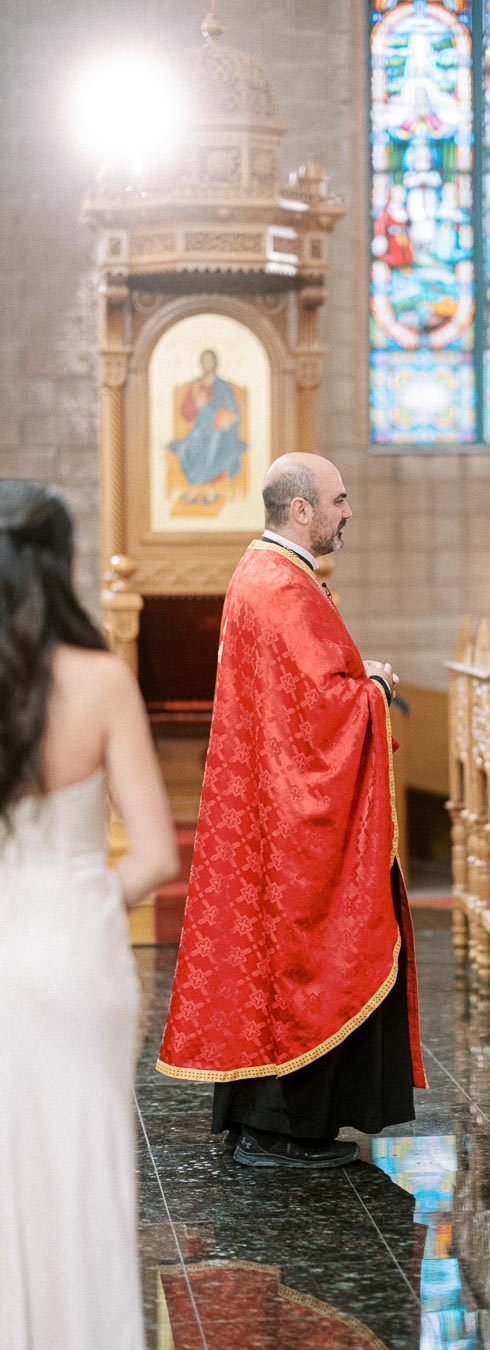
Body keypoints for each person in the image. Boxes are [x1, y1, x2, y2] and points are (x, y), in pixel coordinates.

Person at [157, 453, 426, 1168]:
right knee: (312, 957)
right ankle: (283, 1127)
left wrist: (354, 678)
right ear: (301, 509)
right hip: (292, 813)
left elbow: (299, 689)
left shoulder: (265, 573)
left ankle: (262, 1122)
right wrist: (366, 691)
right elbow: (318, 708)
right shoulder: (283, 584)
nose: (347, 513)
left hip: (267, 802)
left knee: (271, 964)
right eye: (338, 500)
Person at [0, 480, 178, 1349]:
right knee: (83, 1165)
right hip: (77, 951)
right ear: (61, 564)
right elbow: (154, 855)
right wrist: (77, 898)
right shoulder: (101, 678)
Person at [169, 348, 247, 498]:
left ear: (215, 363)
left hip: (221, 431)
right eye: (204, 360)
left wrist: (208, 410)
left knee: (213, 445)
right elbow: (185, 412)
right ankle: (195, 487)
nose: (207, 363)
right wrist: (196, 407)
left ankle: (209, 490)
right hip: (200, 430)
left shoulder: (222, 386)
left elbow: (234, 414)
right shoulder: (196, 386)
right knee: (186, 447)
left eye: (210, 360)